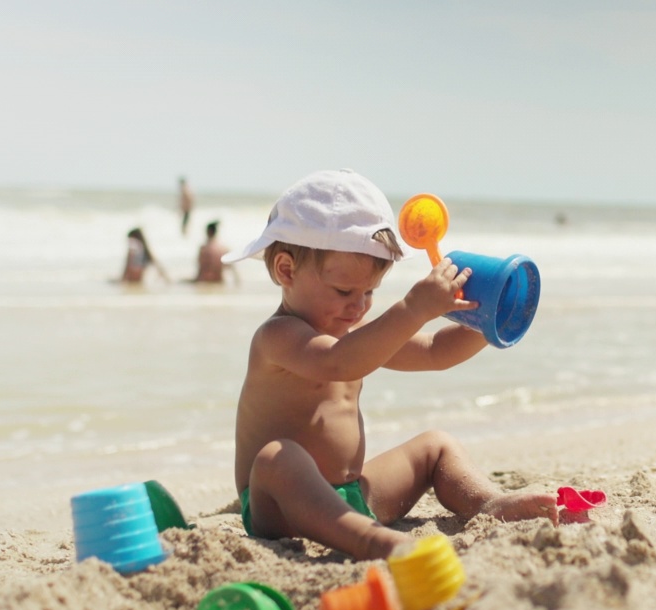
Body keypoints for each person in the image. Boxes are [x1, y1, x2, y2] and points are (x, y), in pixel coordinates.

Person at [222, 169, 558, 560]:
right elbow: (338, 362)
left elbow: (433, 352)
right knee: (278, 457)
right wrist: (415, 308)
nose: (359, 305)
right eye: (344, 290)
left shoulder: (356, 332)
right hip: (279, 502)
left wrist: (489, 319)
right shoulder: (277, 338)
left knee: (436, 446)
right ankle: (369, 540)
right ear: (286, 270)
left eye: (369, 292)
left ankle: (487, 503)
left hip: (352, 496)